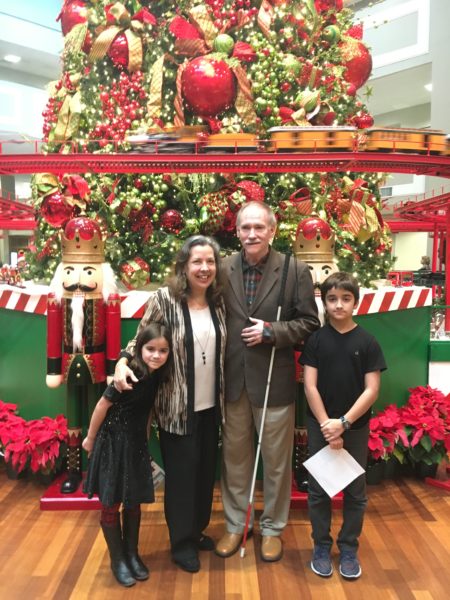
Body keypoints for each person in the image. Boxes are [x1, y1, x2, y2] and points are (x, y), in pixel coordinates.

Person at [113, 235, 227, 573]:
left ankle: (196, 530)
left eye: (210, 262)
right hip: (176, 406)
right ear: (184, 266)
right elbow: (141, 339)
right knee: (182, 477)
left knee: (206, 474)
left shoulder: (218, 301)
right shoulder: (165, 299)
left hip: (212, 405)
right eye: (197, 262)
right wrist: (122, 361)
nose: (204, 268)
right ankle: (181, 543)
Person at [216, 201, 320, 562]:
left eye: (259, 227)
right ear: (237, 231)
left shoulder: (295, 270)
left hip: (274, 382)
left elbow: (309, 322)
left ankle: (273, 527)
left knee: (276, 462)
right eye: (245, 227)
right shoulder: (222, 267)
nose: (252, 234)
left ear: (272, 230)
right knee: (235, 460)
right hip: (232, 381)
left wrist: (272, 331)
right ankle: (236, 524)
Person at [300, 272, 387, 580]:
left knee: (355, 491)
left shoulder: (367, 342)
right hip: (319, 426)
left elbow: (371, 390)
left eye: (345, 299)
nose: (338, 305)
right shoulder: (316, 340)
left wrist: (344, 423)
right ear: (324, 302)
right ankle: (321, 546)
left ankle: (348, 547)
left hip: (355, 427)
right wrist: (326, 424)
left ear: (355, 302)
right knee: (320, 492)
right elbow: (309, 386)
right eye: (332, 299)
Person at [83, 322, 171, 587]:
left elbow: (145, 413)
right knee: (112, 502)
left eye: (163, 350)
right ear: (139, 349)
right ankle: (117, 559)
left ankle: (132, 554)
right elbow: (102, 404)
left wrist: (143, 441)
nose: (156, 355)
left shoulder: (157, 375)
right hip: (112, 443)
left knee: (133, 501)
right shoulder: (130, 373)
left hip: (134, 445)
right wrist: (90, 437)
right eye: (151, 349)